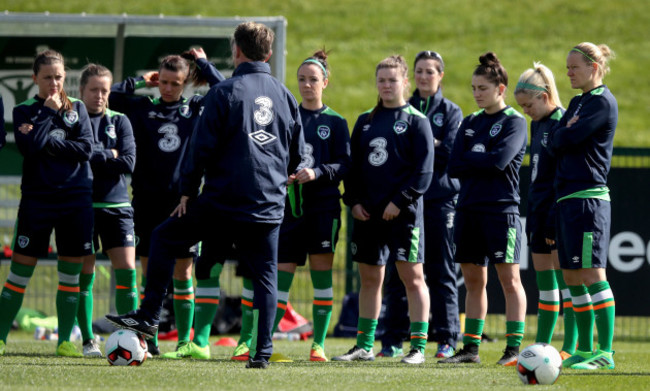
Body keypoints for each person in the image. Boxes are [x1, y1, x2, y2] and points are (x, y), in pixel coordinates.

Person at [106, 21, 306, 369]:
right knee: (265, 276)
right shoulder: (285, 96)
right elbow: (299, 155)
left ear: (237, 51)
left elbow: (200, 149)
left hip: (223, 201)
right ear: (269, 54)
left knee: (164, 237)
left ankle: (150, 316)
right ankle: (261, 354)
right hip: (268, 205)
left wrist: (186, 192)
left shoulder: (225, 92)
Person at [230, 50, 351, 363]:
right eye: (301, 79)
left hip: (323, 209)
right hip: (287, 210)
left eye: (313, 79)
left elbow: (346, 164)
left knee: (321, 277)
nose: (307, 85)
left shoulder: (336, 122)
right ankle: (256, 342)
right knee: (277, 277)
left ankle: (319, 345)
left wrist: (318, 172)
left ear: (326, 82)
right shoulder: (286, 113)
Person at [108, 48, 224, 355]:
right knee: (150, 273)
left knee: (183, 272)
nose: (169, 88)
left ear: (186, 83)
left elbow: (224, 90)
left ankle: (185, 342)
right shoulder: (142, 107)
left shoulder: (196, 108)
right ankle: (150, 341)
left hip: (182, 203)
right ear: (157, 81)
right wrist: (139, 81)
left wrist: (203, 64)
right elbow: (111, 97)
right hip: (146, 201)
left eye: (176, 83)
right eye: (164, 82)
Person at [333, 55, 434, 365]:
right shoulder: (365, 120)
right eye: (381, 80)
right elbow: (352, 168)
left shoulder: (417, 120)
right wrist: (354, 202)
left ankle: (417, 347)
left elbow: (424, 172)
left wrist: (399, 202)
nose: (387, 85)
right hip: (368, 215)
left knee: (412, 277)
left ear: (405, 82)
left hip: (403, 215)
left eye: (392, 80)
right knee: (369, 279)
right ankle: (364, 345)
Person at [0, 50, 94, 357]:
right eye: (47, 77)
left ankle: (65, 341)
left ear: (65, 76)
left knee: (70, 274)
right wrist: (48, 114)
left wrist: (48, 142)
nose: (54, 83)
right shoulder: (25, 110)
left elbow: (85, 150)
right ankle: (1, 338)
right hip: (37, 201)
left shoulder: (78, 107)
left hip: (75, 199)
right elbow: (29, 148)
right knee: (19, 273)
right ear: (34, 79)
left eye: (59, 76)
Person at [439, 52, 527, 366]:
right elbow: (453, 165)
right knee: (474, 281)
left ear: (500, 89)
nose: (476, 93)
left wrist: (476, 158)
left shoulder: (515, 122)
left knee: (510, 281)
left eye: (482, 88)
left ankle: (513, 349)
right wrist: (483, 158)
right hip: (468, 209)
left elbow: (499, 161)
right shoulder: (470, 122)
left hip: (501, 211)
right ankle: (471, 349)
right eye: (474, 88)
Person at [546, 43, 617, 370]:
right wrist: (565, 132)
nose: (569, 73)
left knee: (591, 273)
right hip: (566, 198)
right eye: (567, 67)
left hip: (589, 199)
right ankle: (585, 350)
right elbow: (556, 139)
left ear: (594, 67)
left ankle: (606, 352)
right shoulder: (576, 103)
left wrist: (565, 132)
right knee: (571, 275)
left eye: (574, 67)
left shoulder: (603, 102)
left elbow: (567, 139)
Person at [513, 63, 577, 359]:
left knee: (569, 285)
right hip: (536, 209)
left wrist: (553, 216)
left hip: (556, 211)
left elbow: (563, 175)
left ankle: (570, 347)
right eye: (521, 106)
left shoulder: (562, 121)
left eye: (528, 104)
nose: (526, 110)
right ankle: (540, 347)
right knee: (545, 286)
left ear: (544, 96)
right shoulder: (536, 123)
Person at [74, 63, 137, 357]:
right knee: (84, 274)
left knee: (126, 272)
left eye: (105, 90)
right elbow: (74, 156)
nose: (100, 95)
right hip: (82, 204)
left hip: (117, 205)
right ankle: (88, 340)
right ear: (81, 91)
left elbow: (128, 162)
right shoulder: (72, 120)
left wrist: (92, 154)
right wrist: (106, 153)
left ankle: (131, 336)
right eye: (94, 90)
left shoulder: (121, 121)